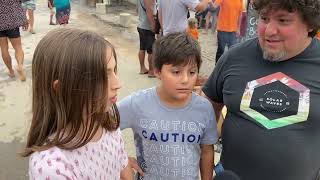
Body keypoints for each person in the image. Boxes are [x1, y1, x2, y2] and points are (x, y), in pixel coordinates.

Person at [202, 0, 320, 179]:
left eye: (283, 21)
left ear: (310, 24)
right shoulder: (234, 57)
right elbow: (205, 109)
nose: (269, 31)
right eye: (264, 18)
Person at [22, 28, 133, 180]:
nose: (118, 84)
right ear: (62, 89)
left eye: (114, 71)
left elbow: (123, 168)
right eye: (103, 76)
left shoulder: (108, 125)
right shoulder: (53, 167)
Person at [118, 32, 218, 180]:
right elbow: (99, 126)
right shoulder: (137, 104)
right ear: (158, 71)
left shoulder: (204, 109)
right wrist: (120, 159)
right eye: (176, 72)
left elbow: (207, 151)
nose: (185, 80)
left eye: (192, 72)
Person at [0, 0, 28, 81]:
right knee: (18, 47)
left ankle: (11, 71)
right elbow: (22, 4)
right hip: (13, 23)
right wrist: (24, 20)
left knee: (4, 49)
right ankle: (20, 65)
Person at [137, 0, 156, 77]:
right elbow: (149, 11)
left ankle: (142, 68)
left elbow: (137, 10)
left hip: (141, 25)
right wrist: (153, 26)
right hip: (147, 27)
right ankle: (151, 71)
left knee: (142, 48)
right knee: (151, 50)